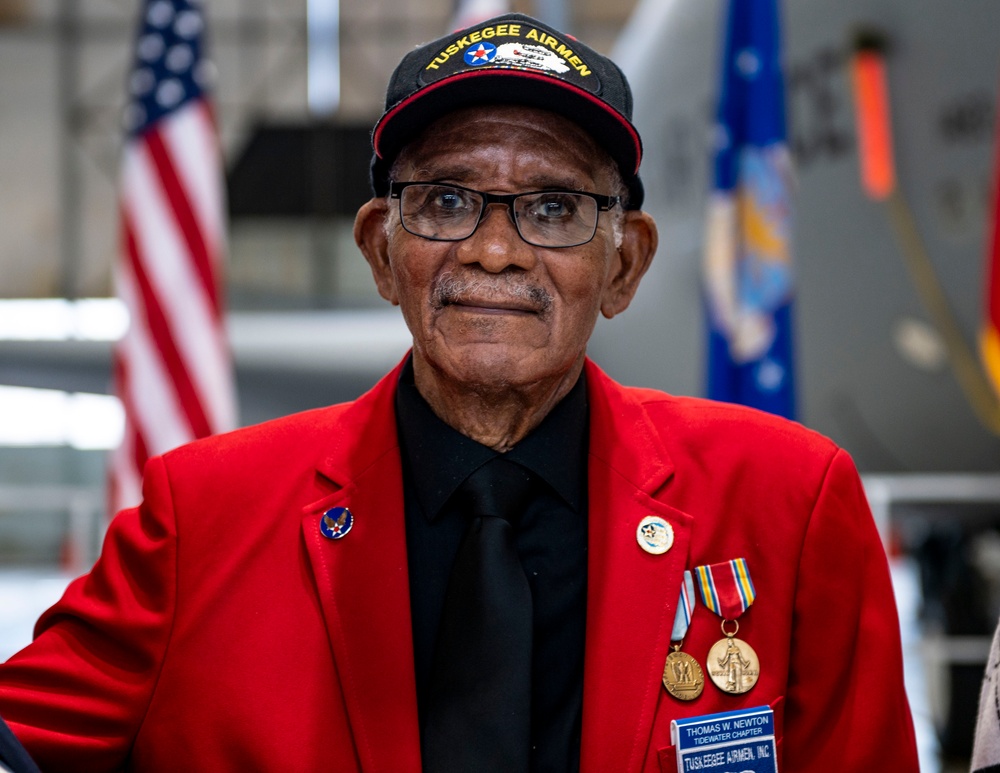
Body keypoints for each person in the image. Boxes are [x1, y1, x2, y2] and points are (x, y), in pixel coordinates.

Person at [0, 11, 918, 772]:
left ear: (624, 265)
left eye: (554, 208)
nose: (493, 248)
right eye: (446, 201)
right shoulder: (201, 518)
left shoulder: (786, 503)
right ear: (380, 250)